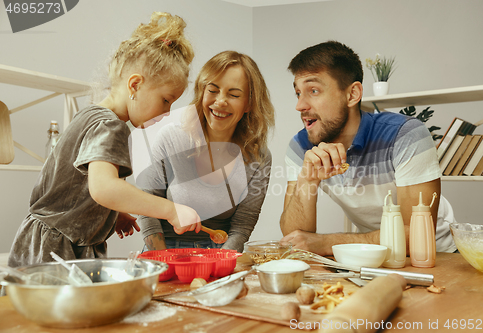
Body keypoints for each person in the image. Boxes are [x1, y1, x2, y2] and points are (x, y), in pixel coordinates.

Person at [7, 12, 201, 267]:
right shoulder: (111, 126)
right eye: (165, 100)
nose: (166, 113)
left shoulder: (88, 114)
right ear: (135, 85)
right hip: (58, 251)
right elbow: (105, 188)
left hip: (40, 241)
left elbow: (76, 186)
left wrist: (112, 213)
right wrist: (171, 210)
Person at [280, 40, 456, 256]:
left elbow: (417, 236)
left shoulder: (405, 135)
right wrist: (307, 180)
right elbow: (295, 238)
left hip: (439, 256)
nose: (300, 105)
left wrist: (328, 243)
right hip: (372, 255)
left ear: (352, 94)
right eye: (298, 93)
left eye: (313, 90)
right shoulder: (301, 147)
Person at [135, 51, 275, 252]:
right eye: (213, 90)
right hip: (164, 248)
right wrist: (160, 257)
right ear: (202, 92)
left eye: (234, 95)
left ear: (249, 104)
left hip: (220, 251)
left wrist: (221, 262)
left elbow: (243, 225)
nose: (220, 101)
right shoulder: (171, 138)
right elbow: (146, 204)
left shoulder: (258, 157)